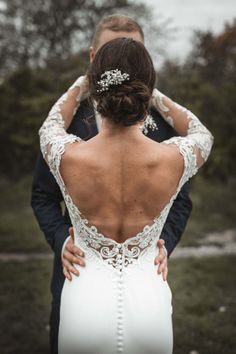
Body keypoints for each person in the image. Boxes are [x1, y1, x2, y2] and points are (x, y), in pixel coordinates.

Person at [38, 37, 213, 354]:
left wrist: (82, 83)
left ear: (96, 87)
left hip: (84, 303)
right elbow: (201, 132)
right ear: (145, 89)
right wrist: (154, 94)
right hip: (150, 304)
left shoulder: (67, 156)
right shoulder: (172, 158)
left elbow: (50, 124)